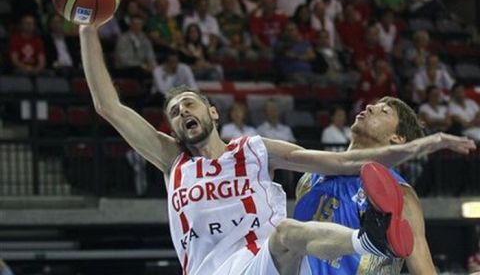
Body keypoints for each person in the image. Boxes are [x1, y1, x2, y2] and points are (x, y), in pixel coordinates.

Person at [79, 23, 475, 275]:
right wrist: (87, 26)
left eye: (189, 103)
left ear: (213, 112)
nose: (182, 112)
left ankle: (370, 241)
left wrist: (430, 142)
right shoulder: (172, 161)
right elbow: (107, 106)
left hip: (260, 265)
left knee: (286, 232)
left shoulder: (253, 150)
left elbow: (345, 160)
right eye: (174, 112)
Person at [295, 96, 438, 274]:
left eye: (384, 111)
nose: (369, 107)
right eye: (373, 105)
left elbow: (424, 271)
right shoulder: (310, 177)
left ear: (398, 137)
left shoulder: (400, 195)